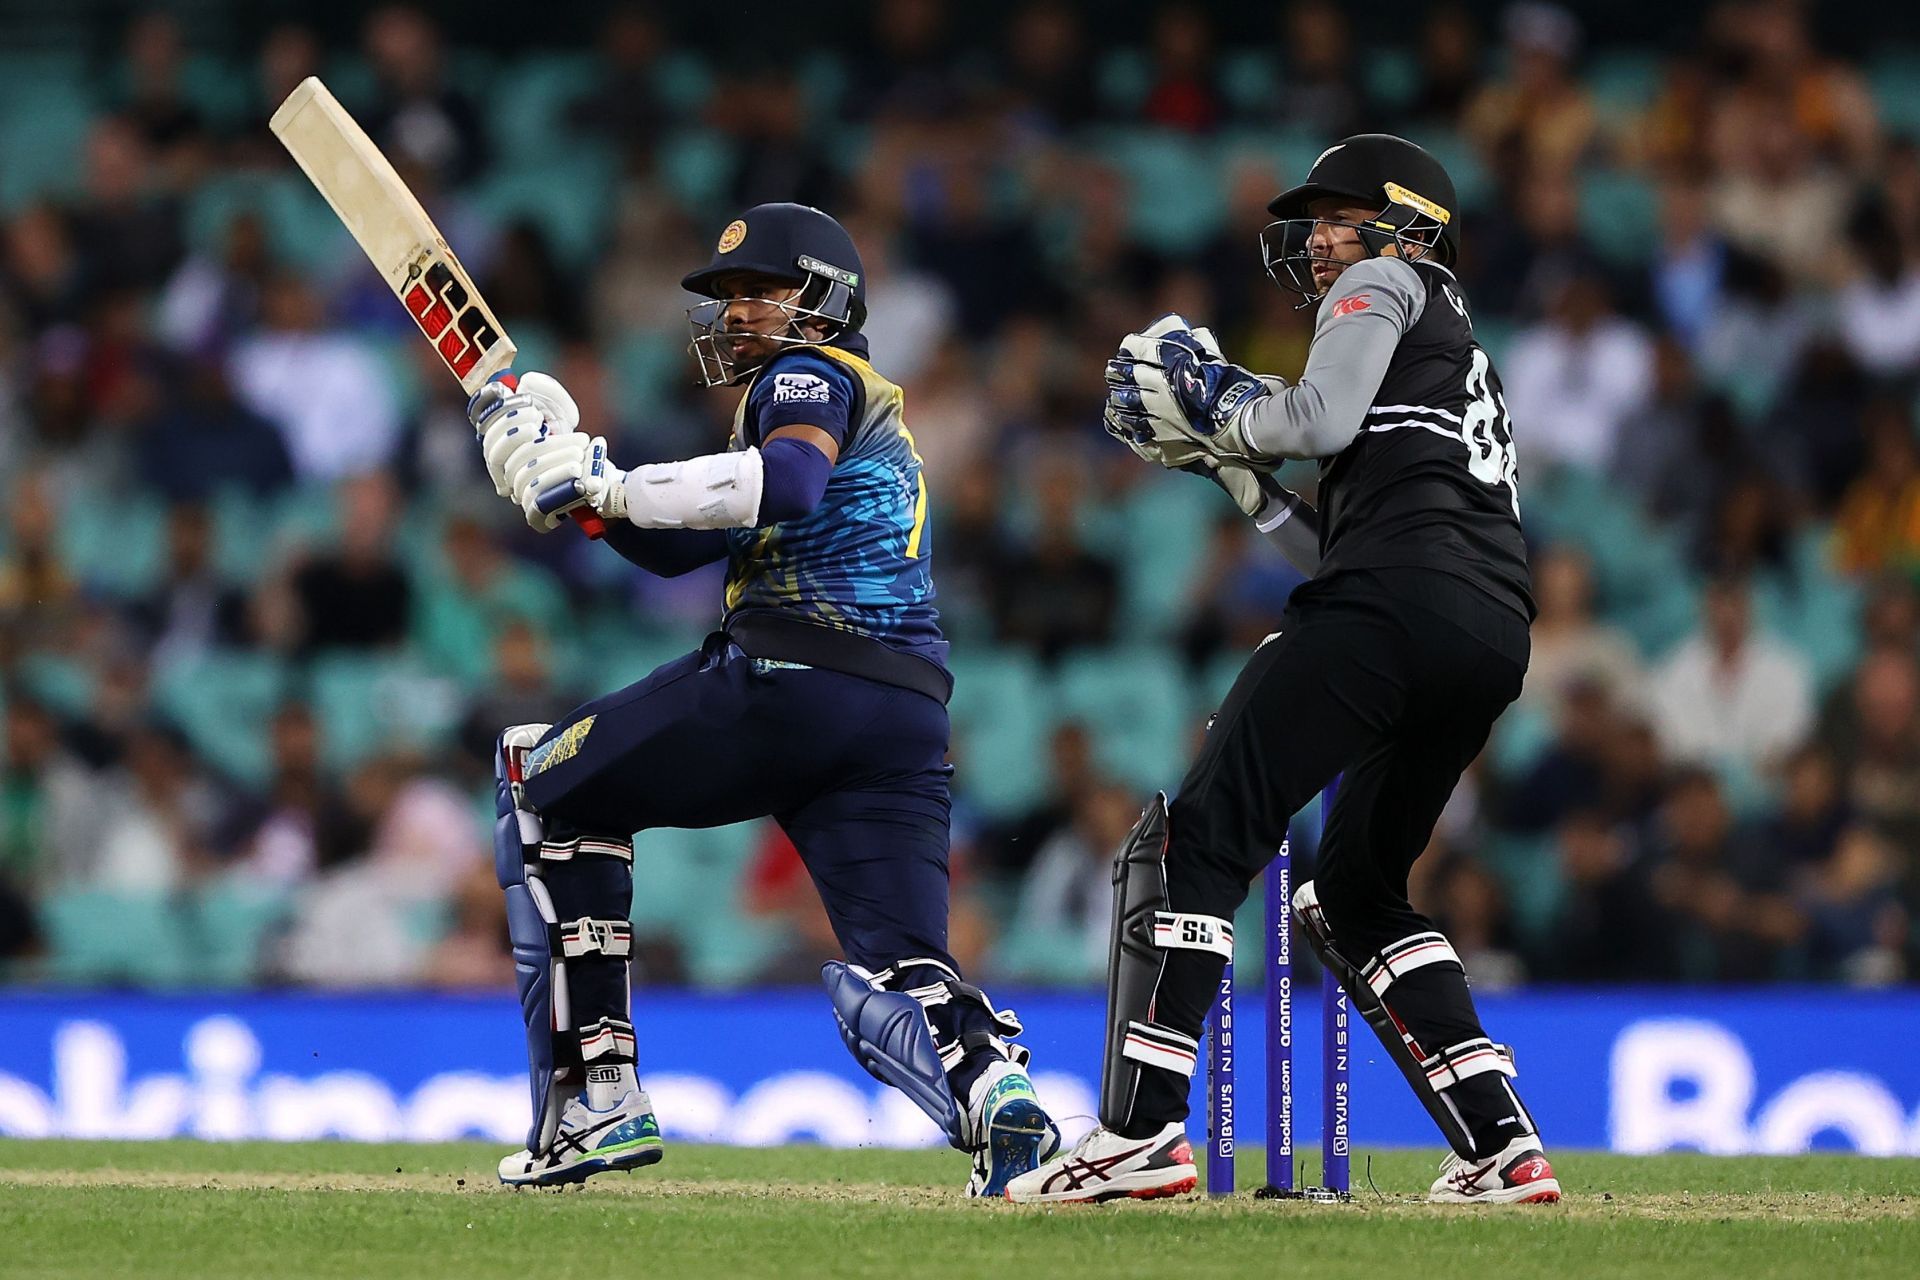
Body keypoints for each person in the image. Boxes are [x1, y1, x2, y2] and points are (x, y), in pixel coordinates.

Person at [1007, 136, 1557, 1205]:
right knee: (1354, 891)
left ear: (1407, 224)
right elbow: (1340, 535)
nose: (1318, 240)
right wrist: (1236, 472)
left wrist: (1223, 407)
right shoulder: (1456, 351)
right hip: (1486, 630)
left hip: (1397, 606)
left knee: (1201, 831)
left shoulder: (1384, 281)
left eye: (1340, 215)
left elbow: (1317, 420)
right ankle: (1502, 1146)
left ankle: (1138, 1133)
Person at [465, 203, 1058, 1193]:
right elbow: (678, 544)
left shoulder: (812, 374)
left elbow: (778, 487)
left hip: (791, 679)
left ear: (822, 301)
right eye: (728, 297)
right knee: (902, 964)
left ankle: (593, 1099)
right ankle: (998, 1095)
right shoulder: (825, 408)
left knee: (538, 779)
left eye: (759, 292)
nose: (738, 313)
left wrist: (605, 479)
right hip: (901, 715)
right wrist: (571, 489)